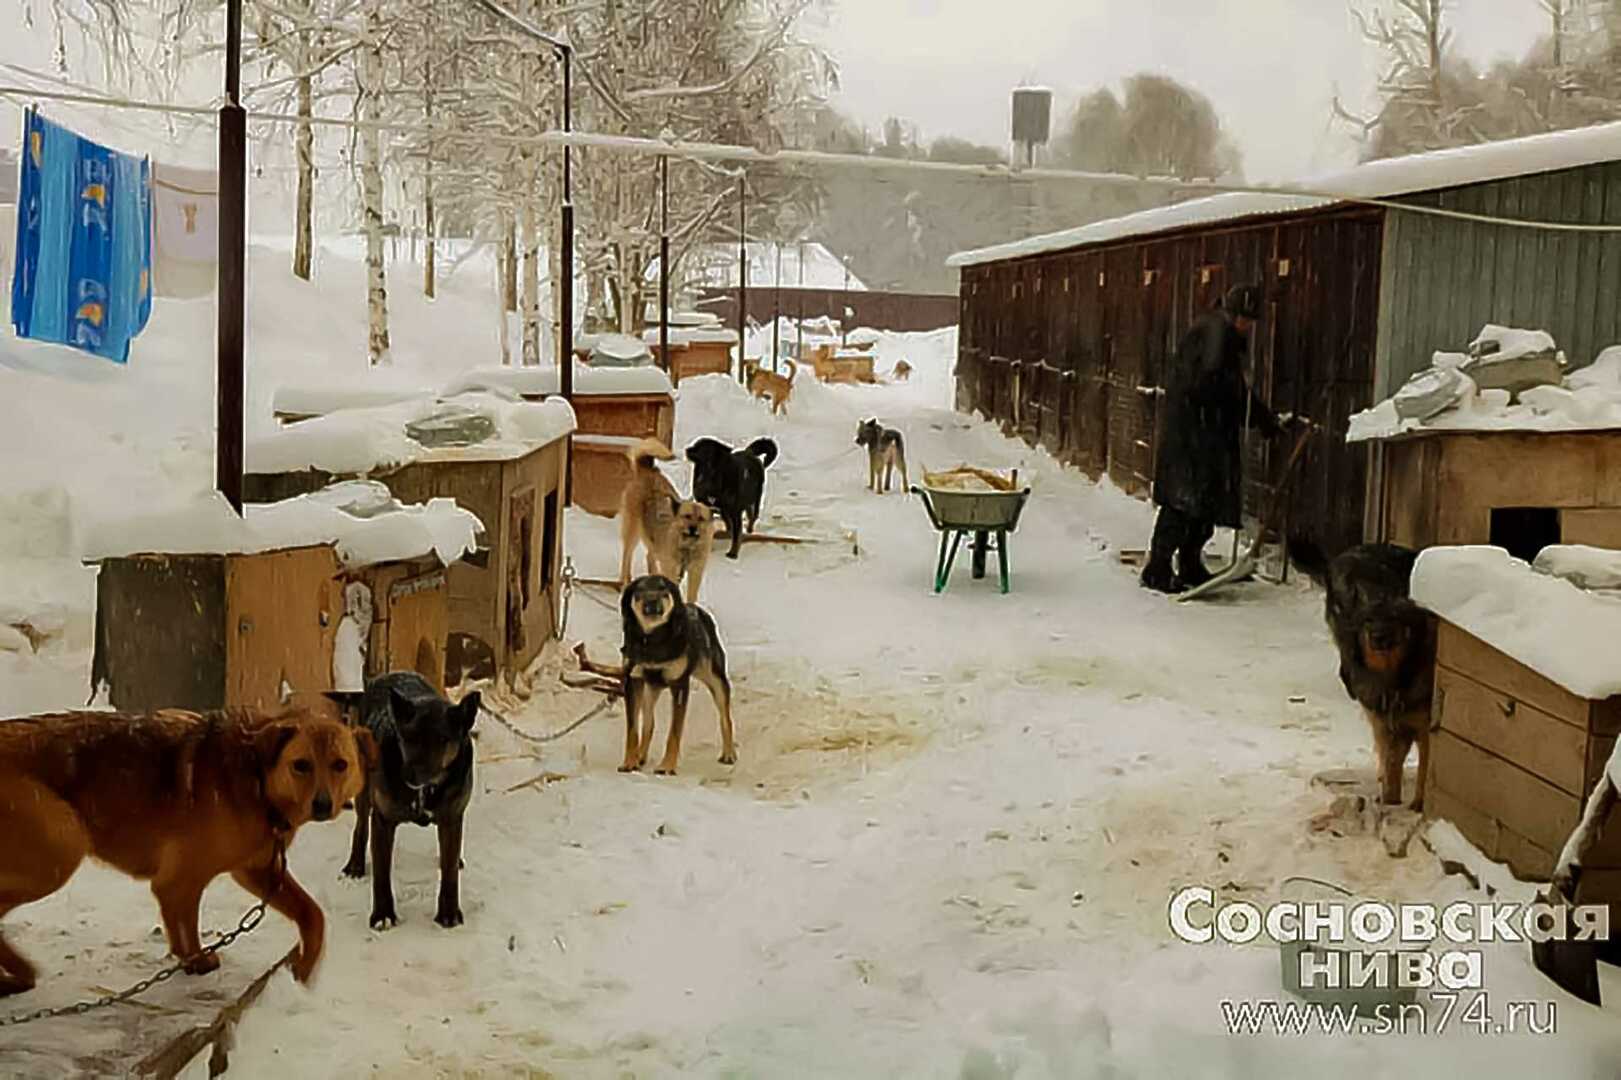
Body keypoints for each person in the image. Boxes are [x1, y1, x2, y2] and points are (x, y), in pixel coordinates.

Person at [1141, 283, 1289, 594]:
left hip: (1202, 434)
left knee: (1201, 503)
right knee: (1183, 503)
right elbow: (1217, 387)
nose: (1248, 326)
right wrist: (1255, 415)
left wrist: (1260, 417)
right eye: (1246, 320)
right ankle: (1158, 567)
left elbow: (1230, 389)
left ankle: (1190, 563)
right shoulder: (1215, 336)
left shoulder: (1218, 334)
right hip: (1195, 435)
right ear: (1233, 313)